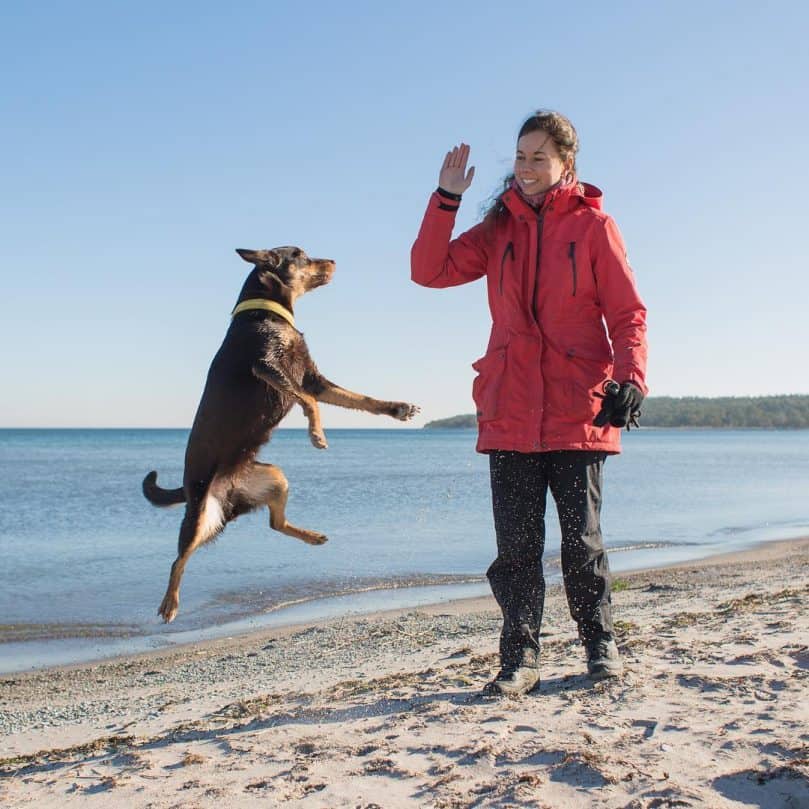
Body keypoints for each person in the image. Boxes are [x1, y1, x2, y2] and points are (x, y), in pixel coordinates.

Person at [410, 110, 648, 696]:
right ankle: (520, 658)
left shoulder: (595, 226)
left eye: (539, 157)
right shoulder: (498, 229)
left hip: (576, 409)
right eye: (519, 156)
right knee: (515, 549)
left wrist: (631, 378)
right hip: (510, 407)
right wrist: (446, 198)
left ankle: (600, 645)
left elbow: (627, 313)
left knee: (581, 542)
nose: (526, 168)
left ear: (567, 162)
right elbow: (428, 270)